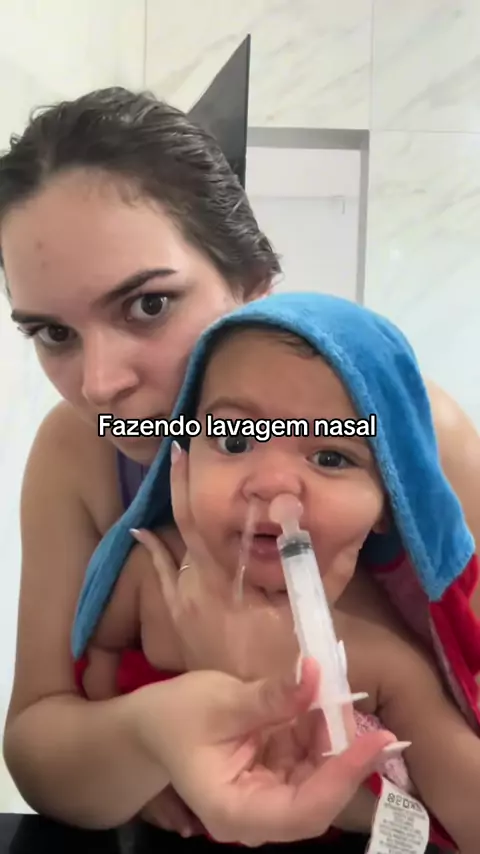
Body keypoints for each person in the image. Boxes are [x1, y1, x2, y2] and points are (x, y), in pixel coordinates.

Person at [0, 87, 477, 846]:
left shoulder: (419, 438)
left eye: (147, 306)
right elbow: (36, 743)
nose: (99, 386)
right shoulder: (79, 451)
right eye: (53, 333)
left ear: (254, 285)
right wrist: (153, 733)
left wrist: (362, 785)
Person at [76, 291, 480, 853]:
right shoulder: (152, 569)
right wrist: (138, 772)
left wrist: (367, 804)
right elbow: (96, 657)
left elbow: (465, 803)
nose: (273, 485)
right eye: (236, 440)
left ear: (388, 503)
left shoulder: (378, 651)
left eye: (331, 457)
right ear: (182, 461)